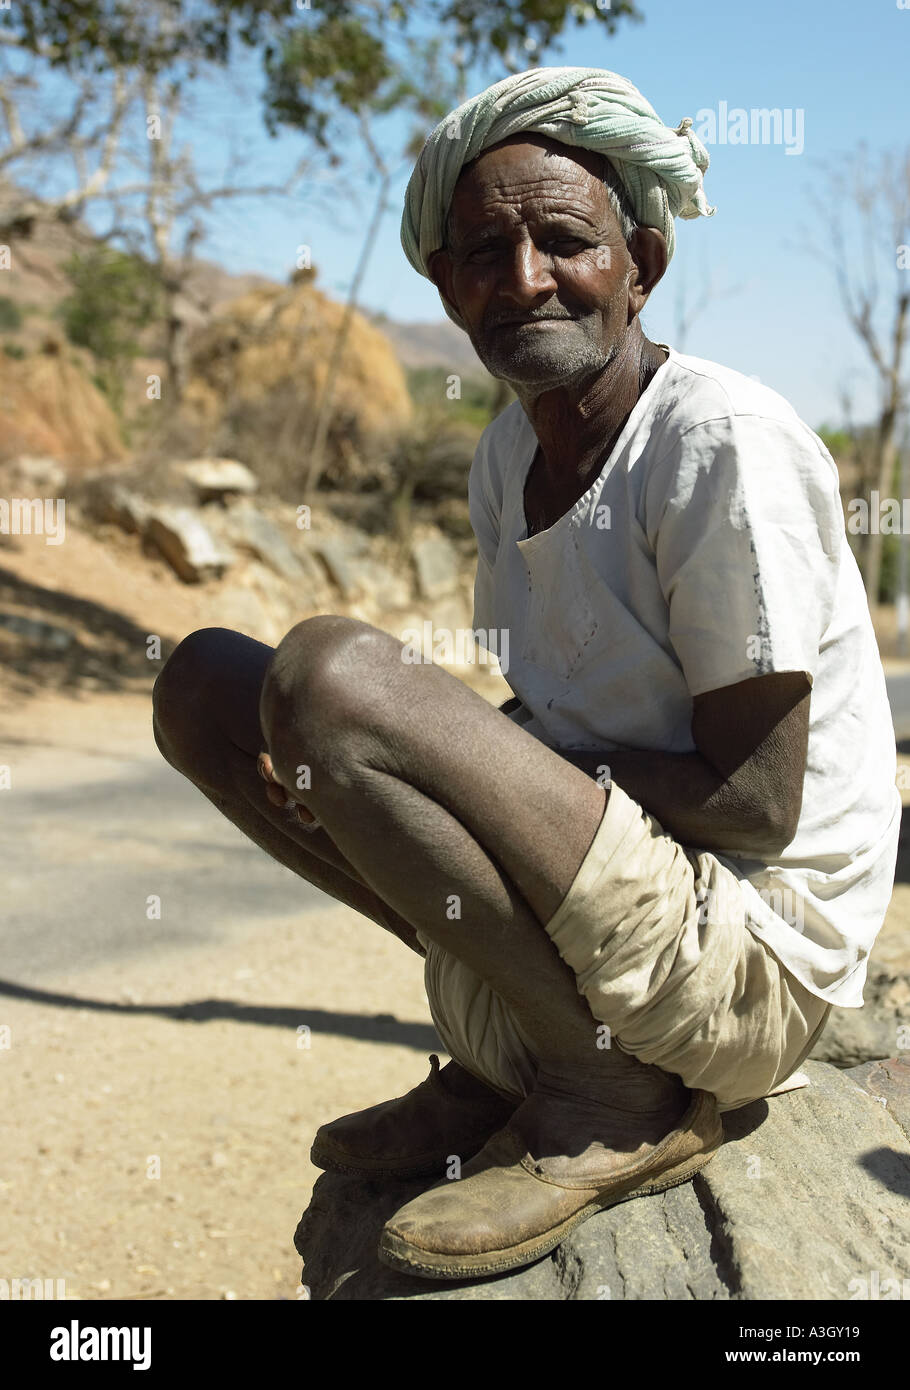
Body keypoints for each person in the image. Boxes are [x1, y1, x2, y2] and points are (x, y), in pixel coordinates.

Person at [152, 67, 901, 1282]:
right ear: (446, 288)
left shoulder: (720, 444)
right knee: (204, 685)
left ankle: (607, 1090)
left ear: (641, 263)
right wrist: (428, 763)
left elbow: (758, 807)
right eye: (485, 255)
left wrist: (490, 754)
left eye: (567, 241)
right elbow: (552, 717)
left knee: (332, 676)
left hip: (745, 962)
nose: (525, 280)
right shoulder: (506, 455)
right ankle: (525, 1049)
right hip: (619, 902)